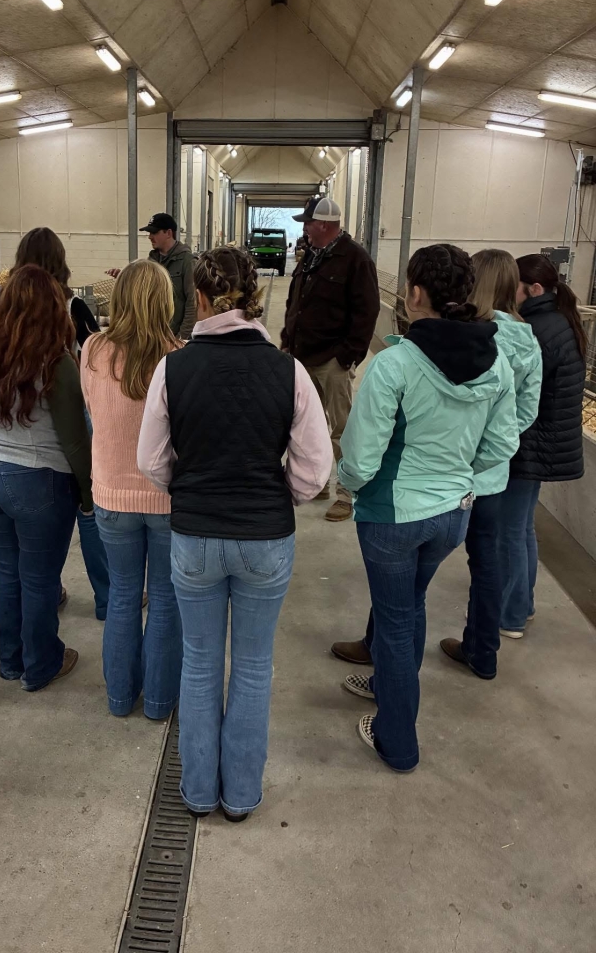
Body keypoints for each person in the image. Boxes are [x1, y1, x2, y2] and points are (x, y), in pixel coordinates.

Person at [138, 247, 333, 822]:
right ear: (257, 298)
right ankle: (241, 795)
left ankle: (197, 792)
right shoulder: (289, 369)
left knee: (199, 664)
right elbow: (315, 468)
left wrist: (189, 486)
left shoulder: (172, 368)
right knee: (252, 666)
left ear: (197, 298)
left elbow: (150, 460)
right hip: (265, 538)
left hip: (195, 535)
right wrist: (282, 497)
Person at [336, 244, 519, 773]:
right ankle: (386, 689)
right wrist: (461, 479)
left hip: (394, 515)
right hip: (452, 514)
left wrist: (351, 486)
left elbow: (361, 455)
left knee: (394, 622)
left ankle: (397, 739)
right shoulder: (498, 362)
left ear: (415, 293)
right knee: (409, 606)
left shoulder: (395, 364)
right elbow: (500, 443)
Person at [0, 265, 90, 691]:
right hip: (38, 482)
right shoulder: (56, 360)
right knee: (39, 579)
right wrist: (88, 494)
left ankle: (12, 660)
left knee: (11, 572)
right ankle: (42, 664)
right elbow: (75, 440)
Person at [81, 260, 183, 720]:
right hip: (165, 499)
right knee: (164, 599)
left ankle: (119, 699)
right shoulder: (179, 356)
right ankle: (159, 705)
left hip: (110, 495)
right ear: (165, 301)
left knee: (123, 595)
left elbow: (93, 411)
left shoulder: (92, 350)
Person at [437, 250, 542, 676]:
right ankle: (482, 651)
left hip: (448, 468)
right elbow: (526, 411)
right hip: (494, 474)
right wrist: (494, 446)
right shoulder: (529, 338)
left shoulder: (469, 333)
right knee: (488, 561)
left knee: (410, 560)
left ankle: (381, 646)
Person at [12, 227, 109, 620]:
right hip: (65, 423)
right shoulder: (70, 307)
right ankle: (108, 595)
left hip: (13, 435)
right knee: (89, 508)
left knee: (29, 550)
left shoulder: (7, 309)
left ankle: (48, 594)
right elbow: (97, 354)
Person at [497, 253, 587, 639]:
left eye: (513, 288)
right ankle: (524, 604)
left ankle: (511, 616)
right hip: (545, 441)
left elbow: (516, 389)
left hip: (530, 442)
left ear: (533, 289)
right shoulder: (560, 321)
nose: (509, 296)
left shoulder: (535, 329)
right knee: (522, 529)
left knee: (510, 532)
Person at [281, 196, 380, 522]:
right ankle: (319, 481)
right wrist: (286, 341)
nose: (304, 228)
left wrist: (346, 356)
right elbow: (296, 302)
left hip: (331, 361)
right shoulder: (312, 255)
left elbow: (367, 312)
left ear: (323, 224)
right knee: (309, 426)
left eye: (308, 222)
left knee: (342, 430)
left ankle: (346, 494)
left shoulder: (355, 259)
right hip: (302, 356)